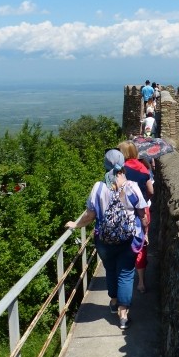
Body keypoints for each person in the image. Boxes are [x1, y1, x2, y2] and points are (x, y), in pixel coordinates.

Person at [65, 149, 148, 330]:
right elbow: (142, 214)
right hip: (129, 239)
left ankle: (113, 301)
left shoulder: (98, 187)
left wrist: (75, 225)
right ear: (122, 165)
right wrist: (145, 231)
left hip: (104, 240)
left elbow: (89, 215)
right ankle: (123, 314)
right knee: (126, 273)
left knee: (110, 269)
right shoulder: (132, 187)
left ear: (105, 165)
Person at [117, 141, 154, 293]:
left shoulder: (118, 170)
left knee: (122, 243)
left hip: (122, 211)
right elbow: (151, 191)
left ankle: (123, 275)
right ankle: (141, 283)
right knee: (141, 245)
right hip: (142, 211)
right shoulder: (143, 168)